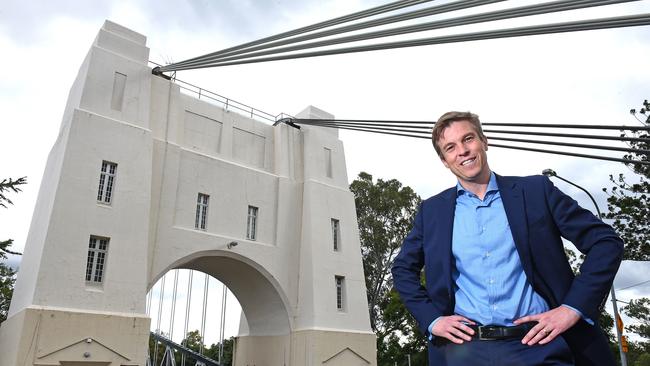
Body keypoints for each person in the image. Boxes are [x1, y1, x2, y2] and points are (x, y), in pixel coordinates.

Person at [391, 111, 623, 366]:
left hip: (539, 346)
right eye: (450, 147)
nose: (463, 151)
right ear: (445, 160)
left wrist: (572, 308)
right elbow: (403, 269)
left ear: (484, 141)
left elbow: (605, 242)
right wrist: (433, 320)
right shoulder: (432, 211)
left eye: (468, 139)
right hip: (464, 352)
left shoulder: (535, 191)